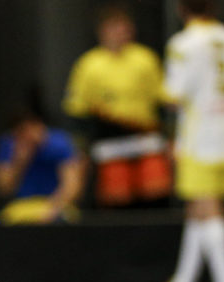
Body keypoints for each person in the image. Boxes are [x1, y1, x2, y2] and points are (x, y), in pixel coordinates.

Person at [155, 0, 224, 282]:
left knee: (209, 208)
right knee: (198, 208)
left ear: (182, 9)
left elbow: (173, 94)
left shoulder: (183, 44)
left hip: (199, 136)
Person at [63, 3, 171, 208]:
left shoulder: (145, 59)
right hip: (110, 140)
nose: (119, 34)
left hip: (144, 137)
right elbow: (77, 108)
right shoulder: (89, 64)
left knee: (156, 190)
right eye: (114, 28)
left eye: (124, 28)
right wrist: (82, 146)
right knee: (116, 196)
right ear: (102, 31)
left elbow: (162, 99)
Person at [0, 97, 87, 224]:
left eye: (31, 127)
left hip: (55, 205)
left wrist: (53, 208)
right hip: (22, 207)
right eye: (21, 131)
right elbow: (3, 188)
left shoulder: (59, 143)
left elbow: (72, 186)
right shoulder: (9, 144)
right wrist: (20, 162)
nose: (28, 135)